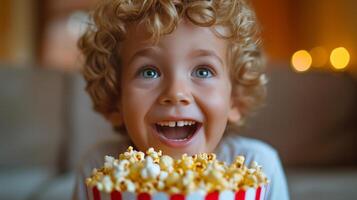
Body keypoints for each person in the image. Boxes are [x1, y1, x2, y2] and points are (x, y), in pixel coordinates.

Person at [73, 0, 289, 199]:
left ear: (235, 98)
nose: (176, 93)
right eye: (149, 72)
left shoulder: (258, 166)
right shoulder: (98, 169)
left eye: (203, 71)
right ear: (116, 98)